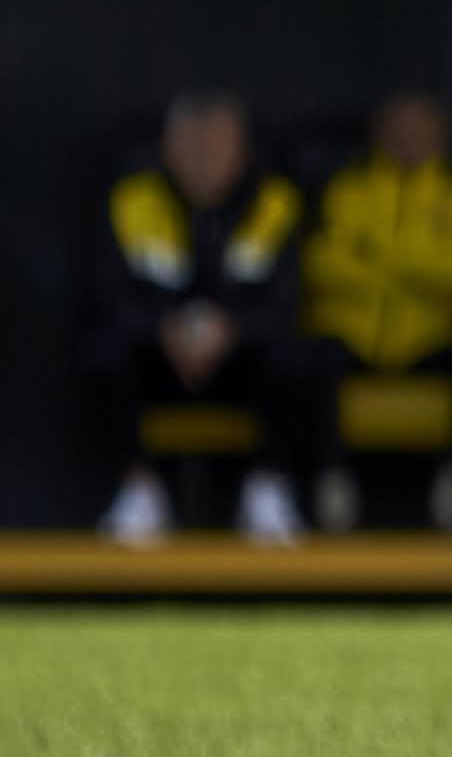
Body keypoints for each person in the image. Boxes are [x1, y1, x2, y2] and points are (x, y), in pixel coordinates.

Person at [82, 93, 324, 545]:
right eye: (192, 147)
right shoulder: (134, 199)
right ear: (168, 149)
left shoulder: (275, 202)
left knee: (296, 354)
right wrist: (164, 330)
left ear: (242, 150)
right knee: (103, 349)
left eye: (217, 146)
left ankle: (267, 491)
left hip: (240, 362)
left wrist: (231, 329)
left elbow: (288, 301)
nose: (204, 159)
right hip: (160, 360)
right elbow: (110, 295)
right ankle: (140, 492)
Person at [299, 91, 452, 535]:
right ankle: (330, 481)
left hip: (429, 336)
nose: (408, 140)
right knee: (311, 358)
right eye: (398, 131)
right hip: (355, 333)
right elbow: (321, 264)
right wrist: (417, 264)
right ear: (378, 137)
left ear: (441, 138)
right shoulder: (346, 190)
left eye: (420, 132)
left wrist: (376, 254)